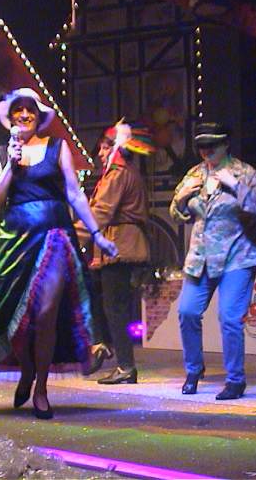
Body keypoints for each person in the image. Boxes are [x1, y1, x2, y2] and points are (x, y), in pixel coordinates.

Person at [0, 88, 117, 419]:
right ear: (11, 117)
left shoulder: (57, 147)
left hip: (54, 237)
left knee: (45, 313)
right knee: (14, 316)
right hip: (15, 239)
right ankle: (27, 369)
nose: (25, 115)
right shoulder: (2, 153)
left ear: (39, 116)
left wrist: (97, 234)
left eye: (30, 109)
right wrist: (11, 166)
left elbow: (74, 193)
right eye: (18, 110)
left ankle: (41, 388)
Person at [170, 122, 256, 400]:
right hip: (201, 258)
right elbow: (176, 212)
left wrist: (236, 186)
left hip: (235, 256)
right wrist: (183, 199)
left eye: (211, 145)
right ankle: (193, 370)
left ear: (225, 144)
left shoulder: (244, 172)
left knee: (229, 317)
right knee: (187, 311)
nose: (206, 150)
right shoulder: (195, 173)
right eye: (202, 146)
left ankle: (235, 380)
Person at [76, 121, 154, 384]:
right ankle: (100, 344)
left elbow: (101, 212)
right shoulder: (114, 173)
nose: (100, 153)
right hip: (111, 244)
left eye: (105, 147)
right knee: (94, 295)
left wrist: (71, 238)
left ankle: (125, 366)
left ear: (118, 148)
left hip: (121, 244)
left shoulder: (119, 174)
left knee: (115, 306)